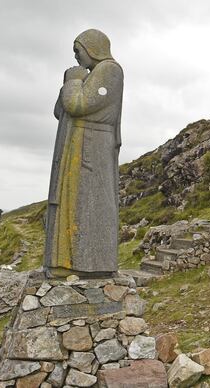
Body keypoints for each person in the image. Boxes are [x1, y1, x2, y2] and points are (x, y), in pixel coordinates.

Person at [44, 29, 123, 277]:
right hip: (78, 144)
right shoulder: (89, 75)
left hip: (92, 147)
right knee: (74, 203)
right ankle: (66, 263)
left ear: (92, 48)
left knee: (89, 205)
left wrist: (74, 81)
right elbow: (60, 111)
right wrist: (71, 81)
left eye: (78, 51)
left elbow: (78, 105)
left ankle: (91, 264)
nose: (76, 57)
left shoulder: (110, 71)